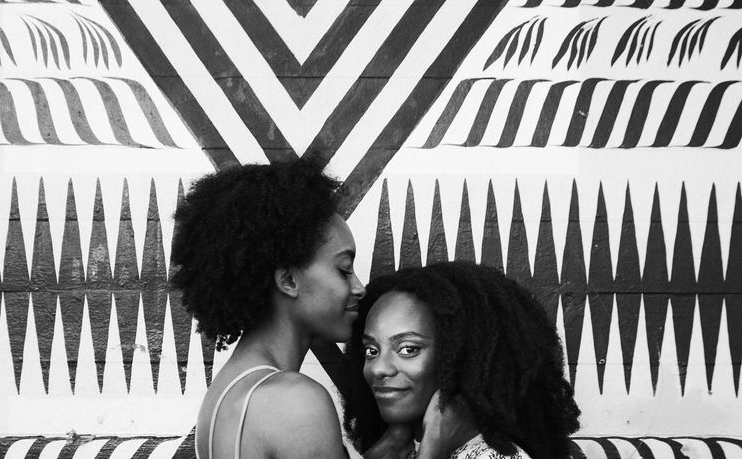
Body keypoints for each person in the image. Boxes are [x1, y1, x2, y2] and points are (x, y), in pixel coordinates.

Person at [170, 157, 466, 459]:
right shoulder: (295, 401)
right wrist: (434, 448)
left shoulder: (228, 389)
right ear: (288, 280)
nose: (359, 288)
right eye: (344, 269)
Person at [342, 262, 581, 459]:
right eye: (371, 350)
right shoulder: (399, 450)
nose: (379, 368)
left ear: (457, 357)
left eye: (408, 349)